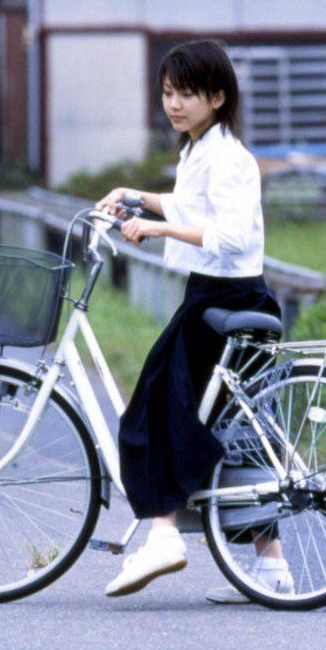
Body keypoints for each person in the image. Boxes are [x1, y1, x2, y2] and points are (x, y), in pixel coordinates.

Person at [95, 38, 295, 602]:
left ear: (217, 96)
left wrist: (156, 228)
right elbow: (192, 208)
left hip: (227, 304)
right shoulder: (200, 148)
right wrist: (137, 198)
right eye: (167, 93)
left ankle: (163, 534)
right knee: (234, 436)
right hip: (216, 299)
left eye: (186, 93)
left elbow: (228, 235)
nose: (175, 104)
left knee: (158, 412)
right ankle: (273, 570)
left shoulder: (229, 158)